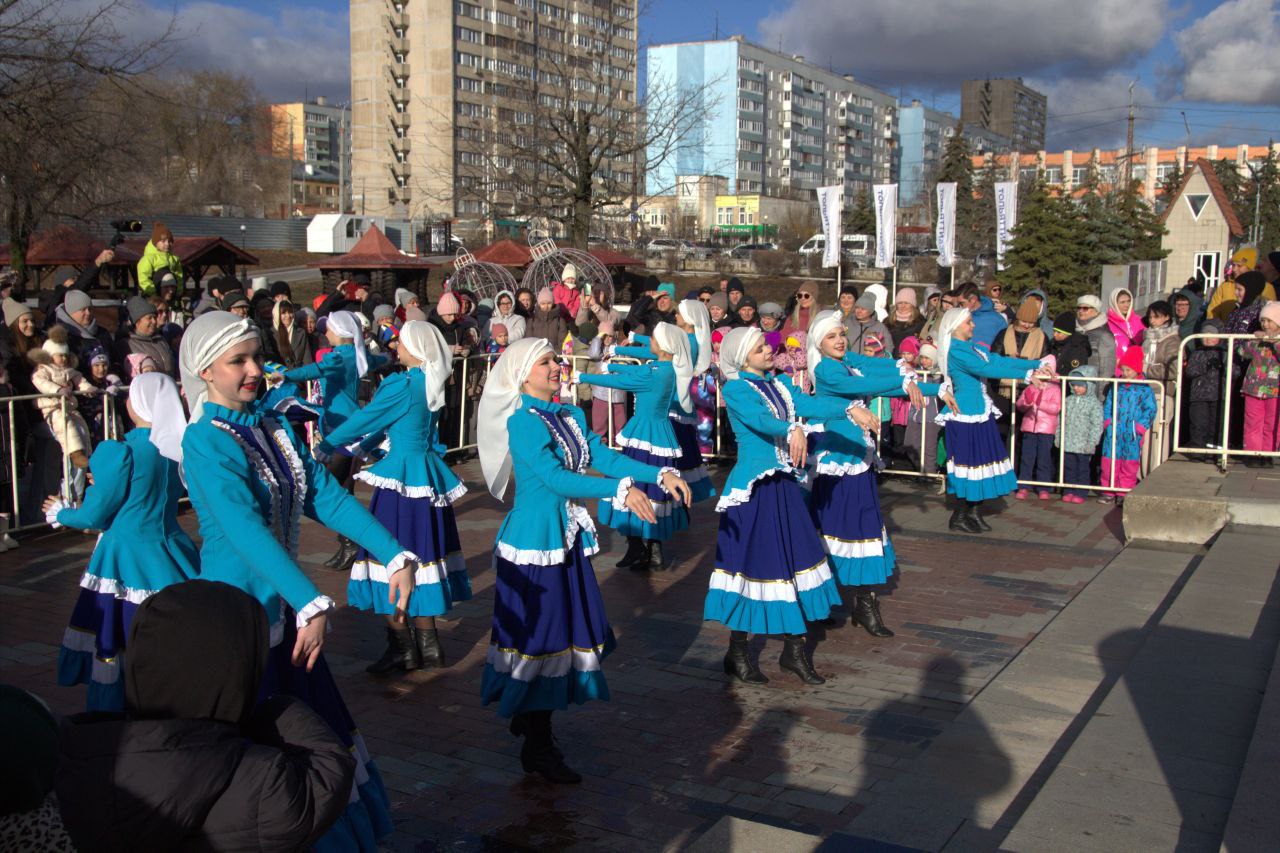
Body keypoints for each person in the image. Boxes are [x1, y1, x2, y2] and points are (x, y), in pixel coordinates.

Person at [179, 311, 420, 848]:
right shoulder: (205, 441)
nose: (251, 370)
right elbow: (243, 529)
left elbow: (324, 496)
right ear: (204, 372)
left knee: (309, 728)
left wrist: (393, 551)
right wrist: (310, 600)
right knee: (255, 741)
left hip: (286, 607)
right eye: (236, 361)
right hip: (235, 616)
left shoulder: (272, 425)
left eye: (254, 357)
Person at [476, 338, 689, 783]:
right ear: (523, 374)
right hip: (535, 543)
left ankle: (535, 723)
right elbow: (554, 479)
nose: (557, 366)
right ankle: (537, 744)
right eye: (547, 361)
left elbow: (604, 456)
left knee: (565, 632)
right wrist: (618, 491)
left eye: (557, 358)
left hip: (564, 538)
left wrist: (658, 473)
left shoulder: (568, 415)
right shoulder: (524, 422)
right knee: (543, 637)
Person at [54, 580, 358, 852]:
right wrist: (271, 707)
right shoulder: (269, 783)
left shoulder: (71, 758)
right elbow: (330, 764)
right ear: (241, 672)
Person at [316, 320, 472, 673]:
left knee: (394, 557)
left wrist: (328, 443)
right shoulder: (429, 382)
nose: (395, 346)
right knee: (424, 555)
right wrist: (366, 447)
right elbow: (396, 427)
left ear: (415, 348)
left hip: (401, 481)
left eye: (400, 341)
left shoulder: (400, 384)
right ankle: (429, 645)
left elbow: (368, 418)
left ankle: (401, 647)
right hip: (425, 476)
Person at [707, 326, 856, 685]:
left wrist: (850, 408)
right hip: (755, 491)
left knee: (800, 559)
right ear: (742, 356)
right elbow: (761, 420)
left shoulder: (777, 385)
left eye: (765, 345)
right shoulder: (738, 388)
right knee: (756, 567)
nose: (767, 350)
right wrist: (792, 430)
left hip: (784, 487)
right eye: (759, 347)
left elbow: (810, 404)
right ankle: (738, 651)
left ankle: (794, 651)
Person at [42, 374, 198, 712]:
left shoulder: (121, 451)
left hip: (124, 560)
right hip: (173, 553)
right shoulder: (177, 448)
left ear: (137, 403)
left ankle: (118, 714)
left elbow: (94, 516)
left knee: (119, 640)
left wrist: (61, 513)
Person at [807, 312, 942, 638]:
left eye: (841, 333)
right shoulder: (825, 369)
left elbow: (880, 372)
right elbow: (863, 385)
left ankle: (865, 605)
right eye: (831, 337)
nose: (839, 340)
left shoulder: (847, 358)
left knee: (865, 525)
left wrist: (934, 387)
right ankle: (820, 602)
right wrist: (905, 382)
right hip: (836, 458)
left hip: (859, 457)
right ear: (819, 343)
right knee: (832, 528)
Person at [576, 323, 691, 570]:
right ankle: (652, 549)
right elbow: (645, 357)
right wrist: (617, 353)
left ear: (663, 344)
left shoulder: (652, 373)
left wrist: (581, 376)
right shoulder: (670, 367)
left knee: (633, 482)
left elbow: (624, 382)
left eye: (654, 339)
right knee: (656, 490)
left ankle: (638, 547)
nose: (651, 342)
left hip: (642, 433)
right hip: (662, 434)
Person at [279, 310, 389, 569]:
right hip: (342, 427)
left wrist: (285, 375)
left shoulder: (341, 356)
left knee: (331, 488)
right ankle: (349, 543)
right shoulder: (355, 355)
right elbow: (377, 360)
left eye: (328, 328)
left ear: (339, 332)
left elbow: (315, 369)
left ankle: (356, 541)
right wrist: (385, 356)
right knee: (342, 489)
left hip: (345, 431)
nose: (324, 332)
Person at [937, 306, 1054, 533]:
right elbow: (986, 368)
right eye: (968, 322)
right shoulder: (956, 351)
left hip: (979, 412)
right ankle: (960, 514)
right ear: (955, 327)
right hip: (964, 415)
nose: (973, 325)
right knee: (969, 466)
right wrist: (1027, 375)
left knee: (982, 464)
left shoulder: (970, 347)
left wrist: (1035, 364)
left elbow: (997, 360)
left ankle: (973, 511)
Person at [29, 327, 96, 470]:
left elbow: (80, 381)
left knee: (81, 425)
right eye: (60, 355)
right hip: (52, 408)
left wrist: (88, 389)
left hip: (69, 407)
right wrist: (58, 390)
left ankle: (86, 453)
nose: (64, 358)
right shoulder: (43, 369)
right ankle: (75, 454)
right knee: (65, 424)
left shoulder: (70, 371)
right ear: (50, 356)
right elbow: (40, 382)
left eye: (66, 355)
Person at [1100, 347, 1157, 503]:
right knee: (1109, 462)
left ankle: (1124, 492)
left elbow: (1151, 409)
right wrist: (1107, 421)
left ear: (1137, 370)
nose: (1125, 373)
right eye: (1123, 370)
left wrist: (1140, 427)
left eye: (1129, 370)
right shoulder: (1116, 385)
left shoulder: (1145, 388)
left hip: (1132, 433)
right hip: (1114, 431)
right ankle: (1108, 491)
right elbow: (1108, 404)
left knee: (1129, 464)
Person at [1014, 354, 1062, 501]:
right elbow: (1020, 405)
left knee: (1044, 458)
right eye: (1041, 370)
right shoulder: (1031, 386)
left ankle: (1043, 487)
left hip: (1046, 429)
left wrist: (1040, 404)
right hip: (1029, 427)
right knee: (1027, 458)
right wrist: (1028, 402)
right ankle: (1024, 485)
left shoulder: (1055, 389)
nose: (1043, 374)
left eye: (1047, 371)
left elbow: (1056, 408)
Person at [1239, 302, 1280, 467]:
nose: (1265, 324)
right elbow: (1242, 351)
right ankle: (1253, 453)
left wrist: (1275, 343)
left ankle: (1268, 453)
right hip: (1254, 388)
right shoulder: (1258, 340)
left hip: (1275, 390)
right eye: (1263, 320)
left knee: (1272, 423)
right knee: (1253, 421)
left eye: (1269, 321)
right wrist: (1253, 339)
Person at [1141, 301, 1181, 466]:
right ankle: (1141, 473)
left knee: (1158, 436)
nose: (1152, 320)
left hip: (1162, 393)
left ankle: (1156, 469)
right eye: (1150, 316)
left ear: (1167, 317)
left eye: (1156, 317)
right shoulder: (1147, 338)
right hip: (1144, 391)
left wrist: (1147, 369)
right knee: (1144, 436)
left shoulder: (1173, 341)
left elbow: (1173, 370)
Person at [1058, 366, 1104, 503]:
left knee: (1083, 469)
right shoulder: (1068, 400)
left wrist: (1092, 442)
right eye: (1074, 385)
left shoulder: (1094, 404)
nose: (1076, 388)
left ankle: (1081, 491)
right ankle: (1068, 490)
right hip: (1068, 442)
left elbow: (1097, 425)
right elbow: (1060, 420)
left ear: (1089, 385)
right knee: (1069, 467)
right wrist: (1058, 436)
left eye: (1080, 385)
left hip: (1084, 445)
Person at [53, 289, 116, 374]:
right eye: (83, 309)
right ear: (71, 312)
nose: (88, 313)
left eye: (90, 309)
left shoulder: (102, 333)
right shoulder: (63, 337)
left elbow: (114, 359)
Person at [583, 321, 627, 443]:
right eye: (604, 336)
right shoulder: (599, 348)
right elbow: (593, 354)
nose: (607, 338)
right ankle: (600, 443)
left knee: (619, 420)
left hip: (617, 391)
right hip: (601, 392)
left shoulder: (619, 349)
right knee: (599, 421)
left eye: (610, 336)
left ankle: (618, 442)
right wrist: (598, 337)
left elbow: (628, 363)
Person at [1184, 321, 1225, 449]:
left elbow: (1235, 372)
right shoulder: (1197, 353)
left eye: (1211, 335)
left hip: (1218, 395)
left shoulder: (1225, 352)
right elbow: (1189, 371)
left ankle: (1215, 450)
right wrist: (1205, 366)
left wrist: (1223, 367)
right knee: (1198, 423)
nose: (1207, 338)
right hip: (1199, 396)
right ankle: (1198, 449)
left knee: (1216, 424)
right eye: (1204, 335)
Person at [116, 295, 177, 379]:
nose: (154, 321)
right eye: (149, 318)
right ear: (137, 321)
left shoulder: (161, 340)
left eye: (155, 317)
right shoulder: (127, 344)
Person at [135, 222, 183, 298]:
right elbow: (144, 278)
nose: (167, 244)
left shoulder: (174, 259)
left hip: (170, 294)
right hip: (153, 297)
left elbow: (179, 276)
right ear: (155, 243)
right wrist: (153, 292)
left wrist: (179, 290)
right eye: (163, 241)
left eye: (170, 241)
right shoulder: (149, 259)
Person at [1076, 294, 1117, 380]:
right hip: (1075, 385)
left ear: (1096, 311)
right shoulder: (1075, 331)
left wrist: (1103, 392)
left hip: (1094, 384)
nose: (1081, 311)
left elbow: (1107, 369)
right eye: (1079, 308)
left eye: (1085, 308)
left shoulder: (1104, 335)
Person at [958, 282, 1007, 349]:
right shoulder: (958, 318)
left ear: (973, 299)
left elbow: (1003, 348)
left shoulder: (997, 320)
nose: (959, 307)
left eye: (962, 303)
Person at [1106, 287, 1144, 371]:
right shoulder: (1107, 323)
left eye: (1128, 301)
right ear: (1114, 303)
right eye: (1122, 302)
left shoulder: (1139, 320)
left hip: (1136, 369)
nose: (1126, 305)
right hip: (1117, 369)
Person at [1048, 311, 1091, 375]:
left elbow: (1076, 372)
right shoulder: (1053, 344)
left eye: (1059, 332)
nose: (1055, 334)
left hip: (1066, 383)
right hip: (1053, 381)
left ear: (1068, 333)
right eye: (1054, 331)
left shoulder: (1077, 348)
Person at [885, 288, 924, 352]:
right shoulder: (888, 321)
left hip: (910, 359)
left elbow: (922, 342)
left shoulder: (920, 322)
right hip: (891, 359)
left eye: (906, 303)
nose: (903, 306)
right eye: (900, 303)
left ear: (912, 305)